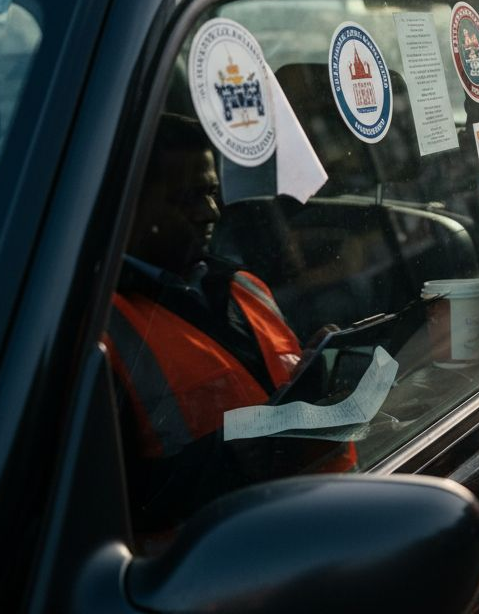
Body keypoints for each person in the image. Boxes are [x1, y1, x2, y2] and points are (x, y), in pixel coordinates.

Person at [103, 112, 353, 540]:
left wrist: (318, 374)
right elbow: (116, 505)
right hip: (221, 573)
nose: (212, 211)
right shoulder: (103, 332)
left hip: (328, 525)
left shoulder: (245, 287)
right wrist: (240, 454)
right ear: (130, 204)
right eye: (189, 198)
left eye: (213, 193)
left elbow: (275, 398)